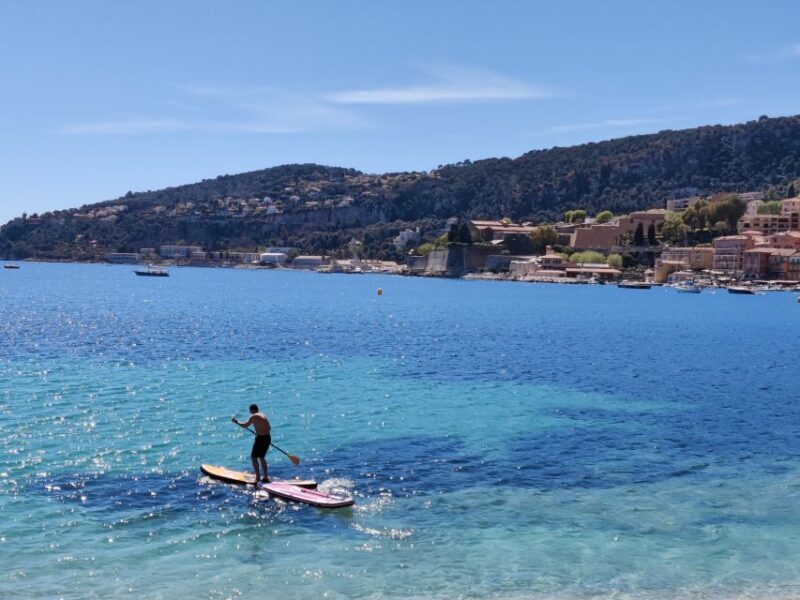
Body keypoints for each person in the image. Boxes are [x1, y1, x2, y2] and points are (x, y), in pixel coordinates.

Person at [232, 404, 272, 483]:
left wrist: (236, 422)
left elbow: (245, 425)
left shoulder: (253, 416)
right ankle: (265, 477)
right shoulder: (263, 415)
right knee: (261, 457)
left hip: (260, 439)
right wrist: (260, 431)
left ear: (252, 410)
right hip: (267, 437)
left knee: (254, 457)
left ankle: (257, 478)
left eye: (250, 411)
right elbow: (269, 428)